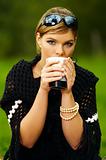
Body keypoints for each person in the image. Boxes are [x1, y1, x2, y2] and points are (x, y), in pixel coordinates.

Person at [0, 6, 101, 160]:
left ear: (75, 42)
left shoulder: (84, 79)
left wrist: (67, 92)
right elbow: (26, 141)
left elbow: (78, 144)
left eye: (68, 44)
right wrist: (43, 89)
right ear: (38, 38)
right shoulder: (20, 75)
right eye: (51, 42)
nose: (60, 51)